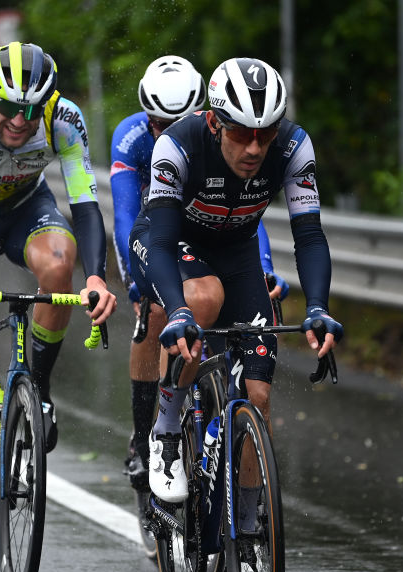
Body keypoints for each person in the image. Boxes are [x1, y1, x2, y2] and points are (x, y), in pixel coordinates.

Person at [0, 41, 116, 559]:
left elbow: (85, 205)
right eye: (9, 108)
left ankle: (39, 385)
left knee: (61, 264)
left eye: (32, 110)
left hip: (24, 208)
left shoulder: (65, 119)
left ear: (49, 103)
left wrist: (95, 278)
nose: (19, 120)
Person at [128, 56, 343, 509]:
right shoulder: (177, 145)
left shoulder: (294, 146)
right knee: (204, 297)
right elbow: (163, 240)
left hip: (236, 251)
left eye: (264, 134)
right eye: (241, 133)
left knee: (258, 398)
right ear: (214, 121)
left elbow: (309, 234)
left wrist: (318, 307)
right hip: (169, 241)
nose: (254, 148)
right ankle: (165, 428)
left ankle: (248, 534)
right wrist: (179, 310)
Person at [109, 55, 289, 495]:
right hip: (162, 230)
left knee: (230, 317)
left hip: (212, 231)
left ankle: (223, 427)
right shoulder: (133, 138)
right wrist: (137, 280)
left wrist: (264, 269)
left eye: (177, 119)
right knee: (159, 312)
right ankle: (145, 437)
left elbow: (245, 212)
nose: (164, 129)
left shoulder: (219, 140)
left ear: (203, 115)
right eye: (156, 121)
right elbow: (126, 212)